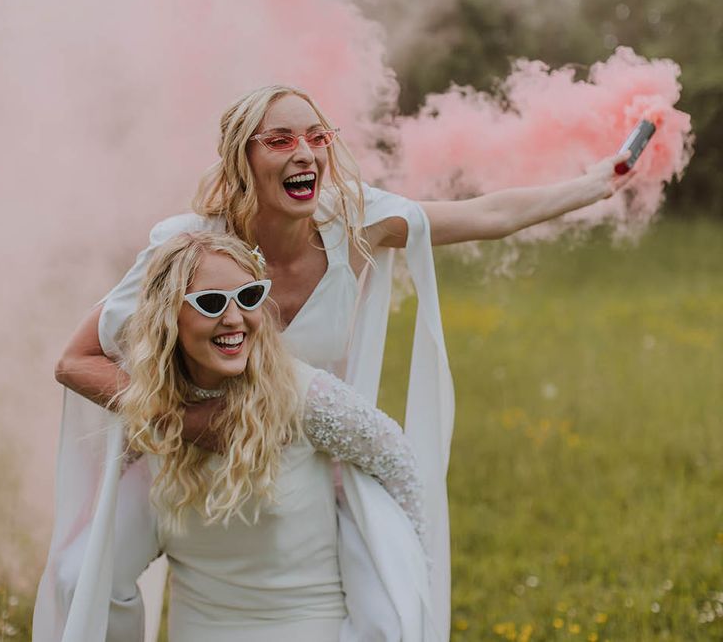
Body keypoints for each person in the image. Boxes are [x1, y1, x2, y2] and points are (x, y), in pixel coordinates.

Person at [35, 84, 633, 642]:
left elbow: (489, 216)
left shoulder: (355, 223)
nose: (306, 154)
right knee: (82, 572)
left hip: (319, 461)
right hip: (200, 464)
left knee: (390, 603)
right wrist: (190, 423)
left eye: (318, 137)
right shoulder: (191, 248)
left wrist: (596, 183)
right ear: (240, 157)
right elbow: (75, 361)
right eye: (281, 140)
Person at [116, 230, 433, 640]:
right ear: (168, 315)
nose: (234, 318)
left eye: (248, 298)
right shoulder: (146, 414)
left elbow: (397, 461)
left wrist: (407, 578)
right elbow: (106, 562)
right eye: (211, 303)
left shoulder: (304, 397)